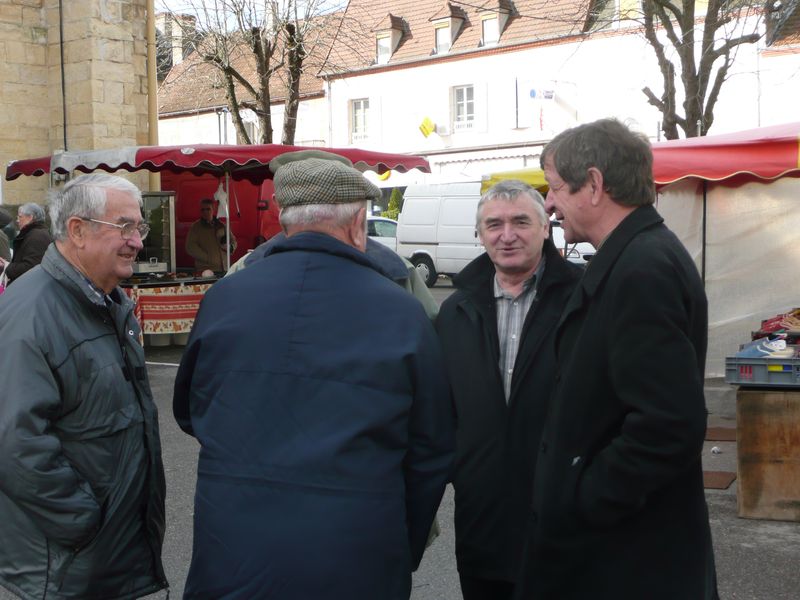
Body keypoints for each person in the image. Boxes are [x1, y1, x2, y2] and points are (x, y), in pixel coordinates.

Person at [173, 156, 456, 599]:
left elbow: (191, 411)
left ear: (285, 220)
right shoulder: (400, 309)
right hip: (358, 553)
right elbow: (431, 447)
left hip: (234, 548)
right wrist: (401, 542)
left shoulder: (226, 297)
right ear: (359, 221)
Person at [515, 119, 717, 599]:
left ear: (595, 184)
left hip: (626, 556)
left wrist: (585, 498)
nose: (548, 203)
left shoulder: (642, 269)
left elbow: (669, 424)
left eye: (556, 187)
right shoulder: (636, 256)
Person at [0, 174, 168, 599]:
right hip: (63, 566)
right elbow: (15, 443)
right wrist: (84, 522)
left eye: (140, 227)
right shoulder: (32, 314)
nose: (137, 241)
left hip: (104, 556)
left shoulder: (107, 302)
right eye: (124, 227)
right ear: (77, 231)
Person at [435, 180, 582, 600]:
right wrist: (461, 467)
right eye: (493, 224)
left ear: (545, 228)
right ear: (480, 235)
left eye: (520, 221)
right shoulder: (455, 311)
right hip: (483, 512)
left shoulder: (584, 299)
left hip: (563, 510)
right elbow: (442, 409)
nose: (507, 234)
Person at [0, 202, 52, 284]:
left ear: (30, 217)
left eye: (20, 217)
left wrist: (7, 266)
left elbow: (31, 267)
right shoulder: (35, 233)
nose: (17, 221)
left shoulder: (37, 236)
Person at [185, 197, 236, 272]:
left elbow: (233, 241)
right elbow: (190, 247)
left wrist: (230, 247)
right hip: (205, 269)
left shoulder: (221, 225)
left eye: (208, 209)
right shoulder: (196, 227)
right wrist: (208, 258)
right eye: (203, 210)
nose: (205, 212)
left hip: (224, 269)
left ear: (213, 209)